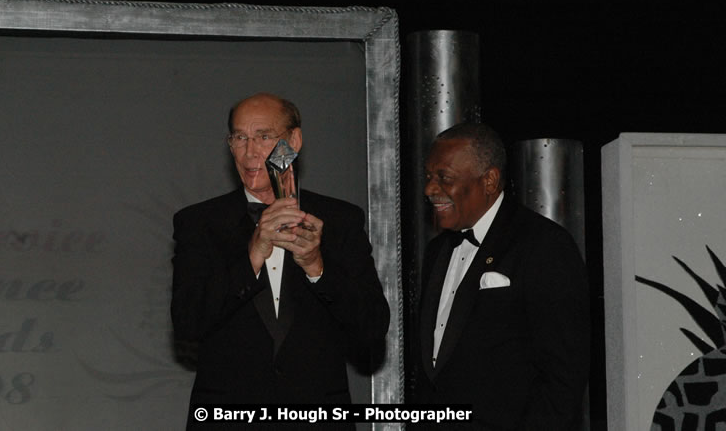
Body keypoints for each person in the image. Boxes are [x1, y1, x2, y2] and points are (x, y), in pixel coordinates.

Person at [171, 92, 390, 428]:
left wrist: (317, 267)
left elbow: (372, 327)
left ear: (294, 141)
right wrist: (252, 254)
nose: (250, 151)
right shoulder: (200, 223)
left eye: (264, 136)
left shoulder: (339, 220)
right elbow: (188, 322)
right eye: (240, 137)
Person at [413, 122, 590, 431]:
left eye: (444, 178)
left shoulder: (543, 245)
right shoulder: (437, 251)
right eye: (429, 177)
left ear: (490, 180)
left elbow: (563, 380)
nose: (429, 188)